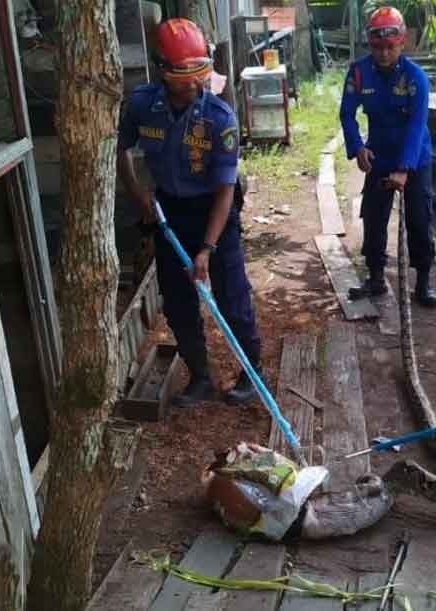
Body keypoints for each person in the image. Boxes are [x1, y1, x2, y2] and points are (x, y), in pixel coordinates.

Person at [118, 18, 262, 407]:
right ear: (162, 69)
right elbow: (117, 148)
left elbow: (225, 189)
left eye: (201, 71)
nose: (194, 82)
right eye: (184, 73)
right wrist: (138, 196)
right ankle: (200, 378)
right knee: (178, 301)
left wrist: (208, 249)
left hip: (215, 212)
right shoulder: (142, 105)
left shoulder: (219, 117)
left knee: (232, 297)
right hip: (169, 214)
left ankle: (251, 374)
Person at [339, 7, 436, 307]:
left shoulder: (415, 78)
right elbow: (347, 113)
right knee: (373, 217)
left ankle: (422, 283)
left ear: (403, 42)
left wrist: (405, 168)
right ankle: (375, 277)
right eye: (377, 47)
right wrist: (358, 147)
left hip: (415, 159)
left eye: (390, 47)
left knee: (419, 221)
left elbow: (417, 124)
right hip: (379, 157)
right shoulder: (359, 72)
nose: (383, 53)